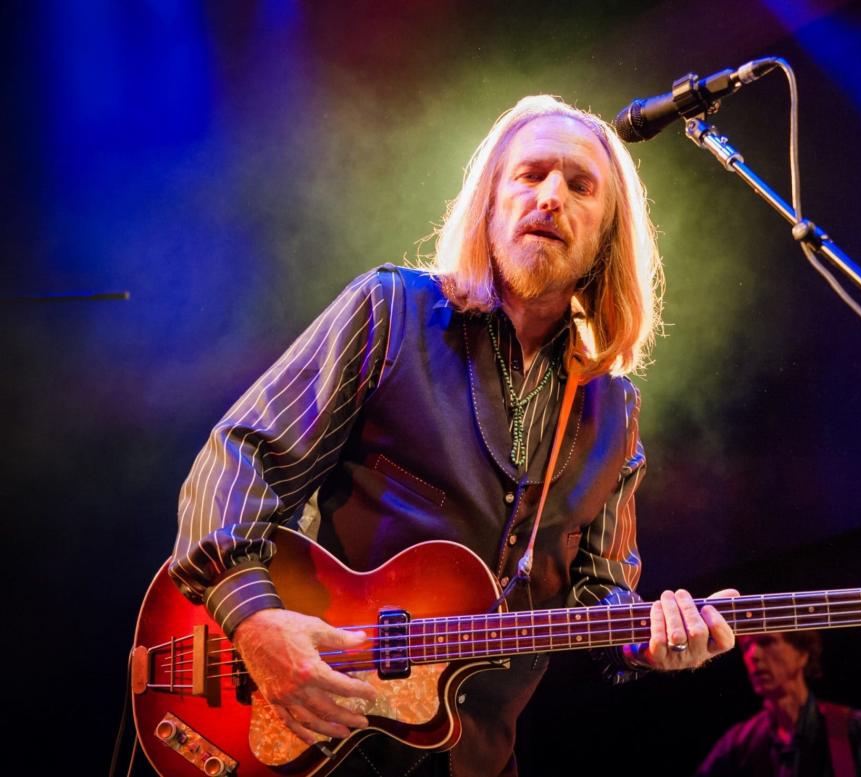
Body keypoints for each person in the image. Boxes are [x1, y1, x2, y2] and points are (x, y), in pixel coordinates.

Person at [170, 95, 737, 777]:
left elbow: (601, 597)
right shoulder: (391, 311)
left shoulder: (613, 411)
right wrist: (255, 621)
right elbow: (242, 456)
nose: (551, 197)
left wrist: (651, 641)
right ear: (490, 204)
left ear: (606, 237)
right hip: (320, 734)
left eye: (579, 184)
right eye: (530, 175)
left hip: (474, 754)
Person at [696, 631, 861, 777]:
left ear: (802, 654)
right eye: (746, 646)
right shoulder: (737, 744)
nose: (753, 655)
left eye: (766, 642)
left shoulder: (855, 728)